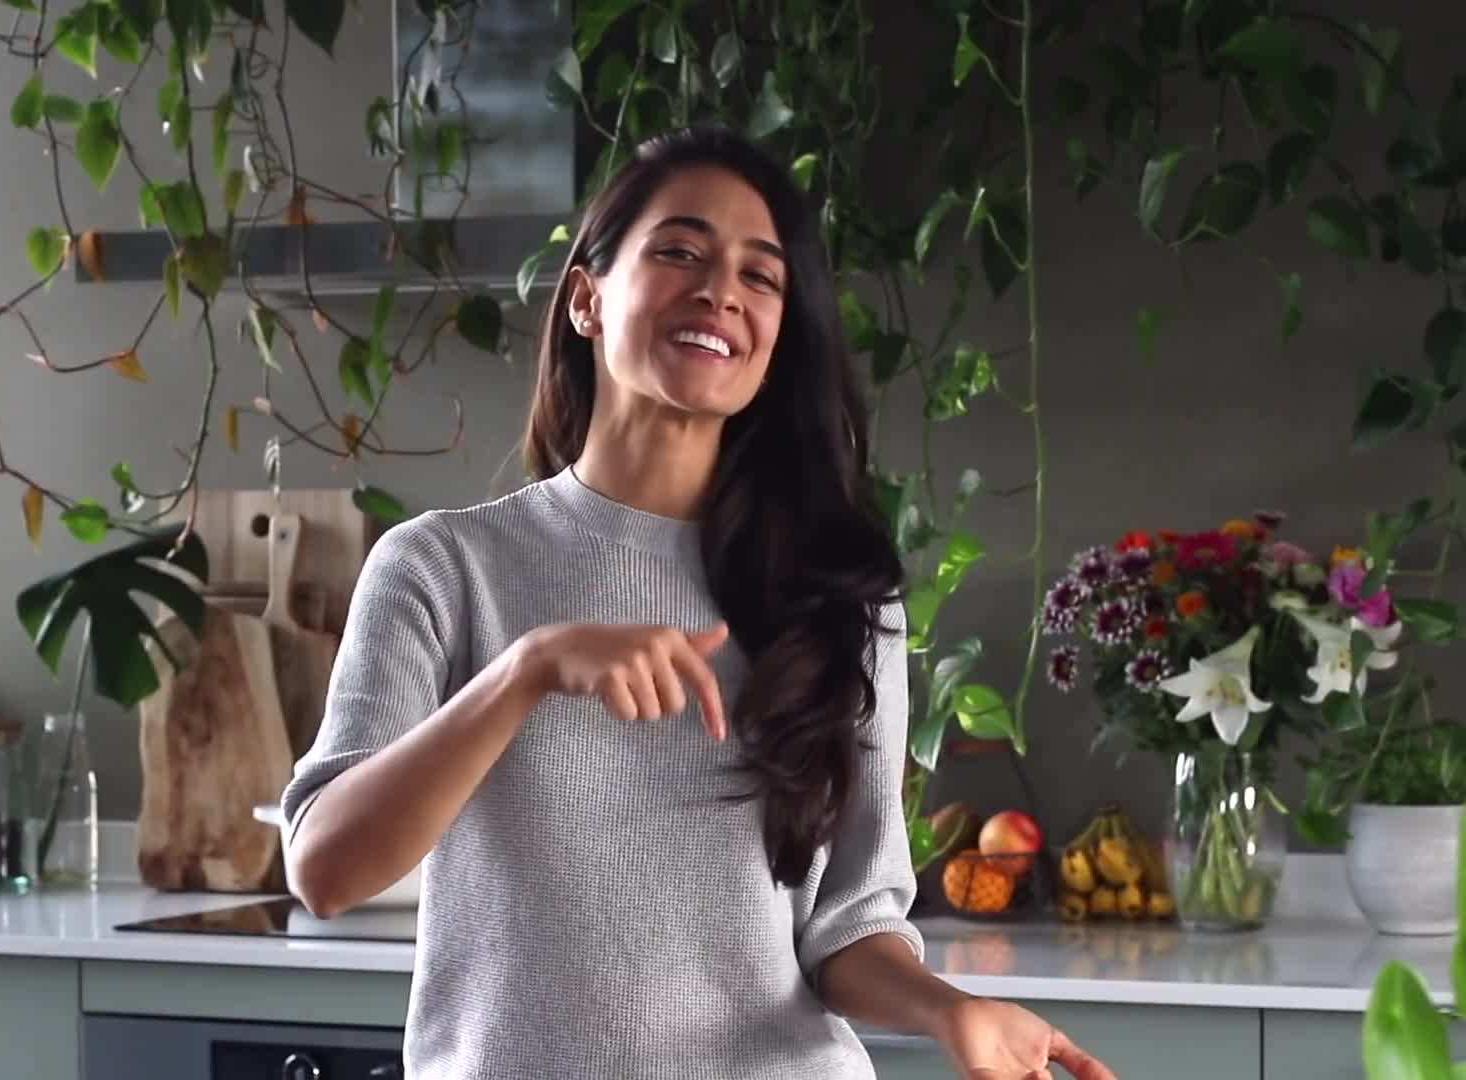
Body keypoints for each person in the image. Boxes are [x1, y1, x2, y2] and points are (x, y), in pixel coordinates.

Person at [279, 125, 1116, 1080]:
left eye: (761, 276)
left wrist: (950, 1013)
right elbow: (326, 870)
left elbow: (851, 919)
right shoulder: (439, 567)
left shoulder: (842, 593)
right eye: (679, 251)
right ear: (588, 299)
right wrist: (526, 670)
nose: (721, 289)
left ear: (775, 338)